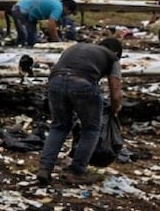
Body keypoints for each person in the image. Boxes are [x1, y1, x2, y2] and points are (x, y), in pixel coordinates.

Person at [36, 37, 123, 185]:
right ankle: (76, 171)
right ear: (116, 52)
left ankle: (45, 168)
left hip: (55, 82)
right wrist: (115, 110)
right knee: (91, 129)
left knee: (59, 126)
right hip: (83, 84)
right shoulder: (112, 58)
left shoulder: (76, 47)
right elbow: (115, 93)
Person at [9, 0, 78, 46]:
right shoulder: (58, 8)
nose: (67, 15)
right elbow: (51, 26)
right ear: (66, 8)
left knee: (32, 39)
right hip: (21, 10)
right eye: (69, 13)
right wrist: (57, 42)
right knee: (24, 36)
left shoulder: (56, 3)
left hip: (29, 15)